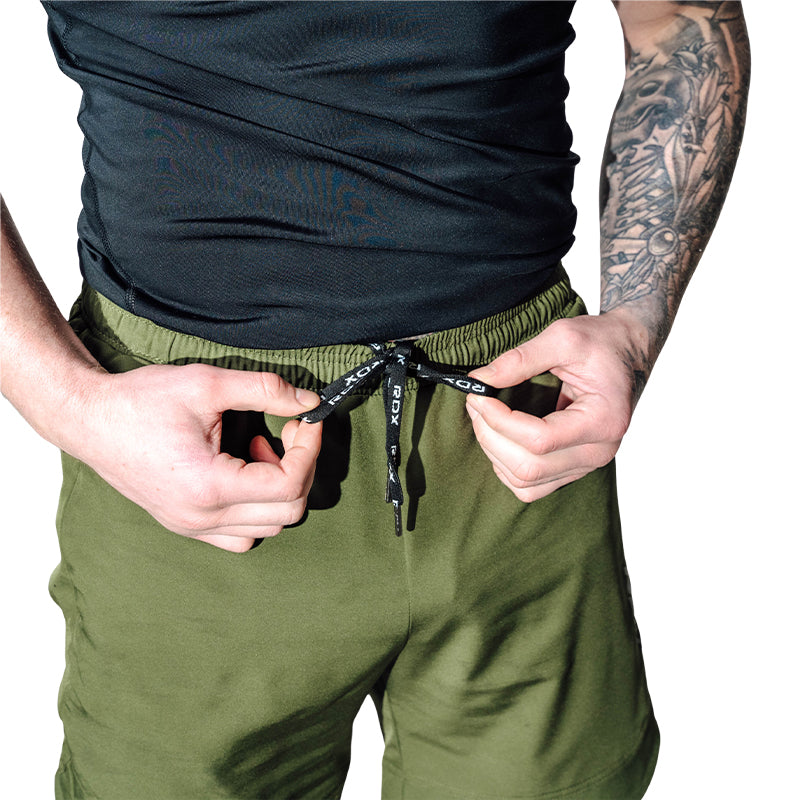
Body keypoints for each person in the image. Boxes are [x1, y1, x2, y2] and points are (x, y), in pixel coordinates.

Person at [0, 1, 749, 798]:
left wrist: (633, 326)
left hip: (523, 438)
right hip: (195, 449)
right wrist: (71, 404)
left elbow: (680, 23)